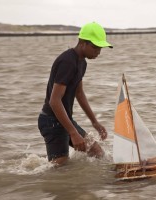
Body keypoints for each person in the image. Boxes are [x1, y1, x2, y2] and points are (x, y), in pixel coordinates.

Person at [38, 22, 113, 165]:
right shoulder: (67, 62)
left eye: (100, 48)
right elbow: (54, 101)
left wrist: (94, 122)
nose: (98, 52)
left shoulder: (82, 63)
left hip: (64, 120)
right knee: (60, 169)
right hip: (51, 121)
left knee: (97, 152)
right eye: (95, 47)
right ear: (83, 43)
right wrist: (73, 132)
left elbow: (79, 93)